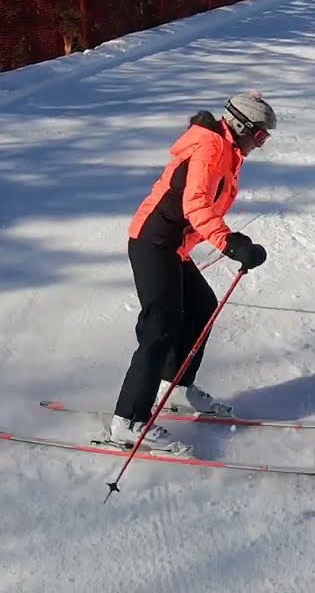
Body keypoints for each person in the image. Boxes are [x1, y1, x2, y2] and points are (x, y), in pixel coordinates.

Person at [102, 91, 274, 455]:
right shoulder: (211, 147)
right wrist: (229, 243)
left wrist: (230, 240)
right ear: (242, 126)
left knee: (200, 307)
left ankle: (175, 385)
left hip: (173, 246)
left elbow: (203, 206)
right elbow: (194, 202)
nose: (261, 144)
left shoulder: (228, 152)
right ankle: (127, 422)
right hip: (153, 241)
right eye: (260, 135)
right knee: (159, 326)